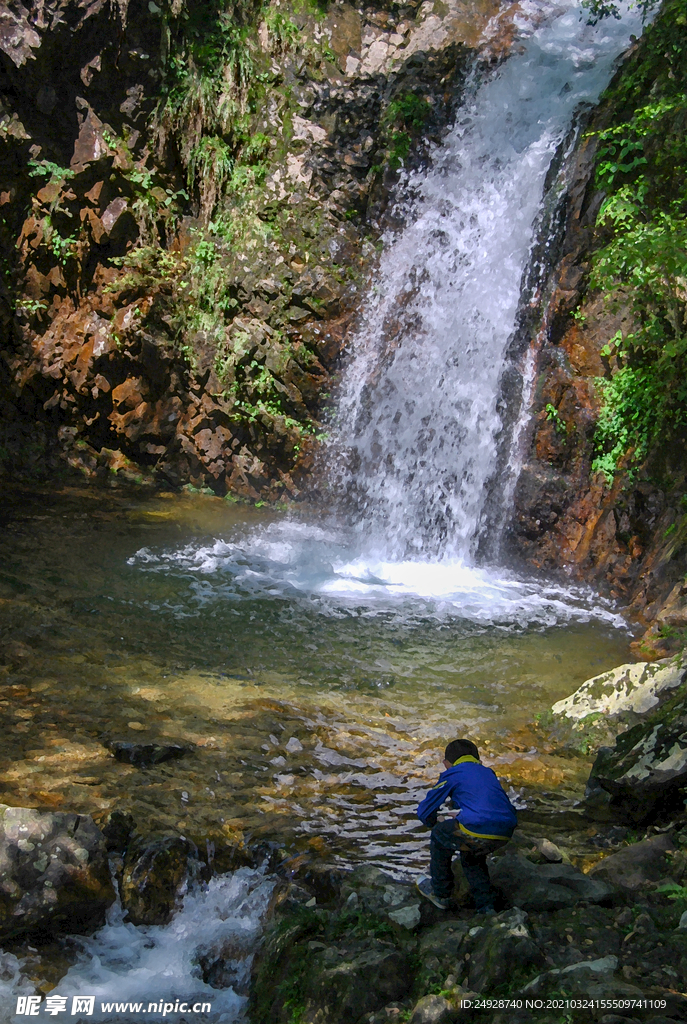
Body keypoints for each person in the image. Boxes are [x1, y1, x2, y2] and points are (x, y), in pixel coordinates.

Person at [415, 738, 517, 914]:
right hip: (506, 830)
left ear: (446, 764)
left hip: (476, 826)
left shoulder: (453, 773)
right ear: (479, 760)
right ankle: (486, 906)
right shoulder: (488, 772)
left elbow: (424, 811)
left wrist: (433, 823)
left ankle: (440, 893)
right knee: (472, 854)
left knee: (440, 835)